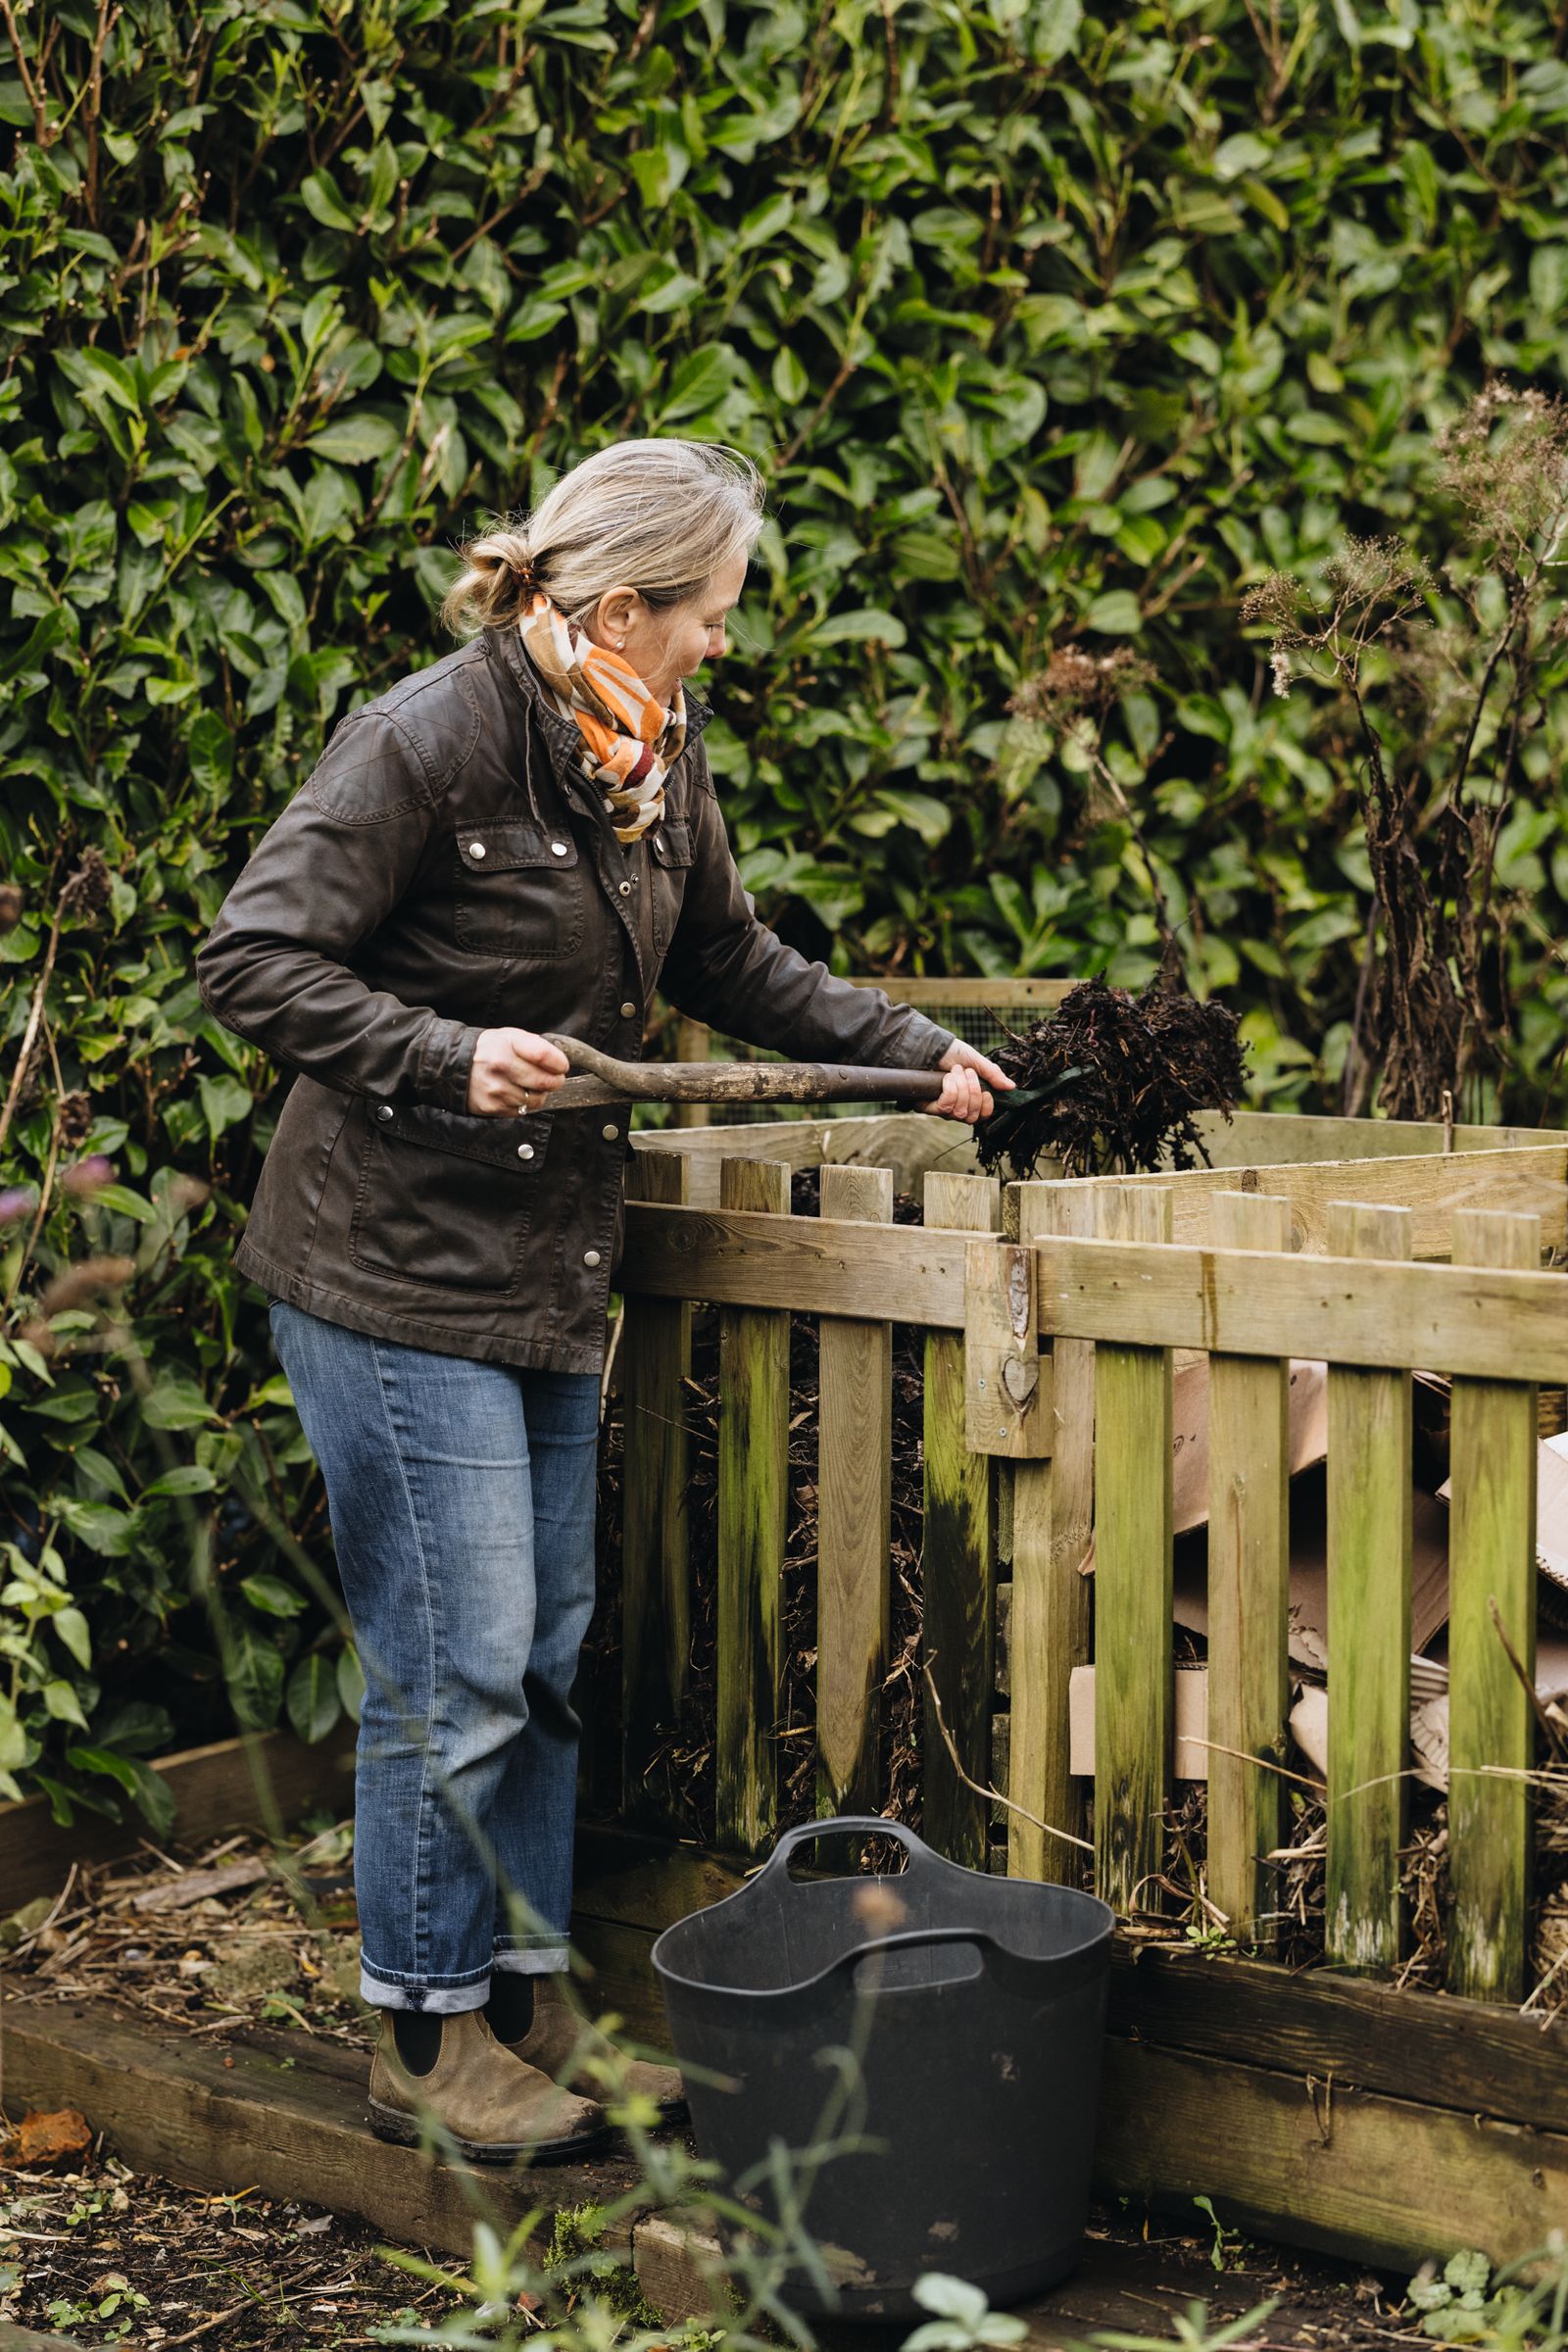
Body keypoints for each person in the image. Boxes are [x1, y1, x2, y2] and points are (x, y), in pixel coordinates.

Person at [196, 438, 1012, 2162]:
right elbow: (254, 956)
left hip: (542, 1272)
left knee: (547, 1661)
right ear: (622, 606)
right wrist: (442, 1051)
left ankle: (527, 1993)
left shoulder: (645, 758)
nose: (723, 644)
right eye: (707, 614)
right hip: (388, 1270)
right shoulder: (431, 735)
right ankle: (418, 2039)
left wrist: (913, 1053)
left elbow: (728, 954)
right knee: (461, 1664)